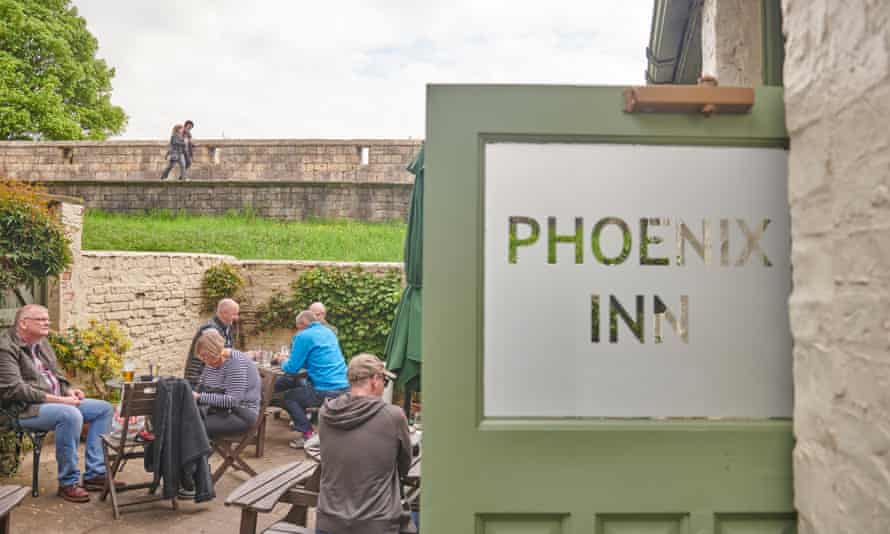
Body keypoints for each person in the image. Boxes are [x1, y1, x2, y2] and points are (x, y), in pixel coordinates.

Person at [0, 305, 118, 503]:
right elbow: (15, 389)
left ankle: (95, 475)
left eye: (48, 319)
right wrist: (62, 400)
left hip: (55, 401)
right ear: (23, 323)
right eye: (41, 320)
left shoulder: (42, 343)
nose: (47, 323)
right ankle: (68, 482)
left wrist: (69, 390)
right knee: (70, 414)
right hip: (22, 410)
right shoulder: (5, 347)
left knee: (103, 409)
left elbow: (56, 375)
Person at [316, 353, 411, 534]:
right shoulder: (393, 415)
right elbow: (404, 466)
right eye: (385, 380)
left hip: (329, 523)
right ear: (375, 379)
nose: (384, 386)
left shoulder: (325, 413)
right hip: (376, 524)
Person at [272, 310, 348, 449]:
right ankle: (305, 423)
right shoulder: (328, 332)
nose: (297, 330)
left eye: (297, 327)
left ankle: (308, 434)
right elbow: (317, 357)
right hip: (345, 386)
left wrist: (281, 360)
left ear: (302, 324)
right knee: (296, 386)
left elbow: (291, 369)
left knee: (289, 397)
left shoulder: (303, 336)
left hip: (325, 390)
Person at [192, 330, 261, 437]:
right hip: (219, 410)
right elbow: (202, 386)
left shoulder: (235, 362)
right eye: (201, 357)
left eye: (204, 356)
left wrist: (199, 397)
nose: (204, 360)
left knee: (192, 427)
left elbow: (233, 400)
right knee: (183, 421)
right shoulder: (212, 361)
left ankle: (200, 453)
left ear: (214, 352)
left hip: (241, 414)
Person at [184, 298, 239, 389]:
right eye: (234, 314)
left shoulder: (227, 327)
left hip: (210, 379)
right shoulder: (210, 330)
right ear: (224, 313)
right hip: (199, 380)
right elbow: (217, 356)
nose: (237, 317)